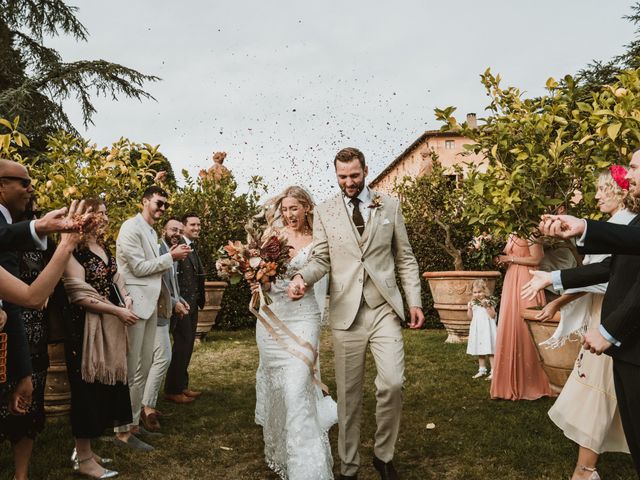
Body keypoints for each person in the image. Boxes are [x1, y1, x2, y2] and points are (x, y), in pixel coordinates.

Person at [288, 148, 424, 480]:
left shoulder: (389, 205)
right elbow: (321, 258)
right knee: (348, 396)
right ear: (336, 175)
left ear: (365, 170)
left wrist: (414, 301)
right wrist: (301, 278)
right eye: (342, 177)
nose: (349, 182)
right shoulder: (325, 212)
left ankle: (383, 454)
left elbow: (404, 257)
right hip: (346, 314)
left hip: (384, 310)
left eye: (354, 175)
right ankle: (348, 466)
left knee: (392, 383)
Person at [522, 167, 634, 480]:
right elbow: (600, 273)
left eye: (602, 189)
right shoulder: (615, 224)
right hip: (607, 315)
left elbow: (610, 278)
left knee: (596, 390)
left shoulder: (624, 226)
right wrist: (557, 287)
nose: (596, 196)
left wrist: (558, 296)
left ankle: (585, 470)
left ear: (620, 190)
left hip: (612, 318)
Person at [251, 186, 337, 480]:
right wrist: (255, 280)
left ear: (306, 208)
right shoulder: (271, 237)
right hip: (273, 318)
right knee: (279, 390)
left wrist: (303, 282)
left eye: (294, 209)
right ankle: (280, 451)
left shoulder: (318, 240)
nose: (289, 215)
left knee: (297, 387)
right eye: (285, 209)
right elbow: (260, 273)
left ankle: (307, 468)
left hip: (304, 317)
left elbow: (321, 268)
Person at [62, 198, 136, 478]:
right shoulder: (74, 250)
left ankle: (86, 451)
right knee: (86, 392)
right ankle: (83, 459)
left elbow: (116, 280)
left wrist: (126, 299)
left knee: (102, 391)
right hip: (84, 331)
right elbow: (78, 292)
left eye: (107, 213)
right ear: (86, 217)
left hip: (109, 327)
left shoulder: (102, 248)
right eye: (100, 214)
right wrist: (115, 310)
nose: (105, 218)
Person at [114, 186, 191, 451]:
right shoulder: (130, 228)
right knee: (132, 369)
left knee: (143, 369)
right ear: (144, 201)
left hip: (151, 307)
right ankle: (121, 431)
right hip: (134, 305)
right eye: (158, 203)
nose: (162, 209)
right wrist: (171, 257)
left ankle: (134, 425)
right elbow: (137, 268)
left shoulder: (150, 231)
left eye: (165, 206)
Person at [490, 235, 554, 401]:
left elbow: (537, 258)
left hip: (527, 279)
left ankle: (532, 382)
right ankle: (507, 382)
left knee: (525, 325)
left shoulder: (531, 230)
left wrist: (510, 258)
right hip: (512, 278)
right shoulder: (511, 232)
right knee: (510, 323)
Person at [141, 218, 189, 429]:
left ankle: (143, 406)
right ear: (164, 230)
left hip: (165, 311)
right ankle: (147, 408)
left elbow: (171, 283)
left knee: (153, 360)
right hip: (154, 312)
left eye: (179, 230)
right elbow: (153, 283)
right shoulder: (159, 249)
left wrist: (178, 300)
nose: (176, 232)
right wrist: (172, 302)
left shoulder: (174, 251)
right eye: (173, 229)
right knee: (163, 358)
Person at [165, 213, 205, 403]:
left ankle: (182, 385)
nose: (197, 228)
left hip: (192, 303)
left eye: (199, 224)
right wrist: (176, 302)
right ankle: (173, 390)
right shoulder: (177, 246)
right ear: (184, 226)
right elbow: (171, 276)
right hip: (181, 304)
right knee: (182, 344)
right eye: (193, 225)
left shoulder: (191, 247)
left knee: (187, 345)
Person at [466, 279, 497, 380]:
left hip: (488, 329)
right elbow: (470, 317)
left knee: (490, 349)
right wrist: (469, 309)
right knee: (480, 350)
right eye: (475, 292)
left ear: (485, 291)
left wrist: (487, 306)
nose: (477, 294)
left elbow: (493, 315)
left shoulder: (489, 301)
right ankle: (482, 370)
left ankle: (494, 370)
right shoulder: (473, 303)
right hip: (478, 329)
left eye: (480, 292)